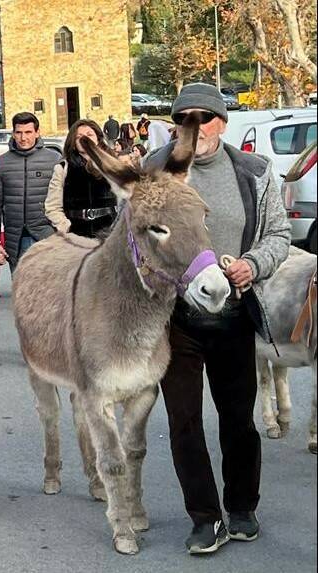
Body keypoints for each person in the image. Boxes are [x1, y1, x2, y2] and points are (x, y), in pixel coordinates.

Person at [144, 83, 291, 555]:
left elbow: (278, 233)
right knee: (183, 422)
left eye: (202, 117)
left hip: (233, 314)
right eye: (183, 117)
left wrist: (252, 264)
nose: (194, 127)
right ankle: (205, 518)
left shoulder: (254, 171)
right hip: (175, 319)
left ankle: (243, 506)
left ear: (221, 122)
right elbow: (133, 238)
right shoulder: (153, 171)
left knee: (238, 420)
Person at [0, 112, 62, 270]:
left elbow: (66, 199)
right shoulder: (0, 165)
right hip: (16, 240)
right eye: (19, 132)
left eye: (28, 132)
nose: (23, 138)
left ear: (37, 132)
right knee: (22, 292)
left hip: (48, 236)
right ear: (13, 134)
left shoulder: (54, 160)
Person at [44, 118, 119, 238]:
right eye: (79, 137)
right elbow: (52, 206)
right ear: (73, 142)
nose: (85, 139)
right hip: (76, 237)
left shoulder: (113, 166)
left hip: (110, 235)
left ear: (98, 139)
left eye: (89, 135)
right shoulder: (63, 168)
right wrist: (65, 228)